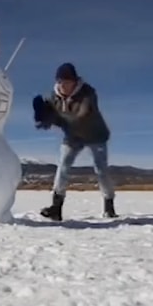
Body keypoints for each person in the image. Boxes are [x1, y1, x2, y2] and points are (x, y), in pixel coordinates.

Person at [33, 62, 118, 221]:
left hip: (96, 135)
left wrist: (55, 118)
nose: (62, 85)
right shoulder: (54, 97)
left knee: (101, 170)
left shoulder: (87, 93)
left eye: (66, 82)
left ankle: (109, 205)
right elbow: (58, 120)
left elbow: (81, 115)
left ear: (75, 81)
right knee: (63, 167)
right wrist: (44, 118)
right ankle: (56, 208)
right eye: (59, 82)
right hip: (73, 136)